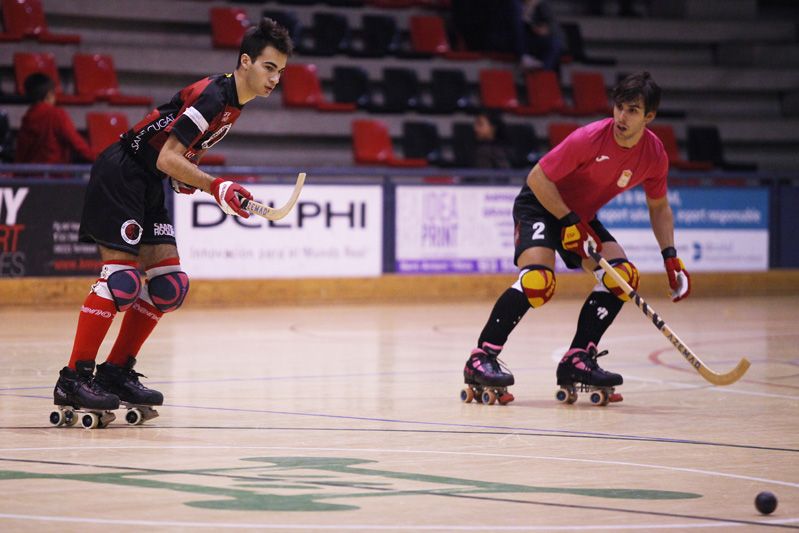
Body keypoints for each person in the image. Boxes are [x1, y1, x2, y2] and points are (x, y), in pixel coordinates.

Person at [51, 18, 293, 421]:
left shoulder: (234, 105)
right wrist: (216, 186)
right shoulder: (215, 96)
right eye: (269, 68)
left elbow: (177, 164)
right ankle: (73, 378)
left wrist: (202, 187)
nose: (275, 79)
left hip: (148, 181)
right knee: (122, 281)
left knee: (169, 286)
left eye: (281, 72)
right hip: (122, 172)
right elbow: (167, 157)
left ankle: (115, 373)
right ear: (246, 61)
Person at [462, 72, 690, 405]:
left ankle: (578, 358)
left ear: (649, 117)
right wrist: (568, 221)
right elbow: (537, 177)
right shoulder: (590, 138)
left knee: (622, 278)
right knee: (539, 282)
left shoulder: (654, 155)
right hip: (540, 205)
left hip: (579, 217)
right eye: (619, 107)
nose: (621, 117)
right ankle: (481, 356)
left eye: (632, 111)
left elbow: (659, 207)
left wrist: (670, 256)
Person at [15, 73, 95, 164]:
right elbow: (76, 143)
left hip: (31, 175)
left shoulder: (27, 118)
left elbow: (21, 153)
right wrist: (99, 159)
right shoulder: (56, 114)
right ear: (49, 94)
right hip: (55, 175)